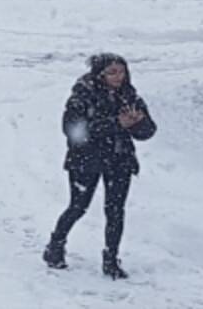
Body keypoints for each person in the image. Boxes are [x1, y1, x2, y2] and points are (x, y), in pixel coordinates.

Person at [43, 53, 156, 279]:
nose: (118, 77)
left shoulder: (129, 96)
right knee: (78, 206)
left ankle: (111, 259)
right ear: (100, 74)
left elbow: (148, 131)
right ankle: (55, 245)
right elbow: (74, 131)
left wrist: (138, 122)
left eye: (122, 72)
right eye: (112, 72)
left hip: (119, 159)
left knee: (115, 212)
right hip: (86, 161)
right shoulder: (82, 95)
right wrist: (116, 124)